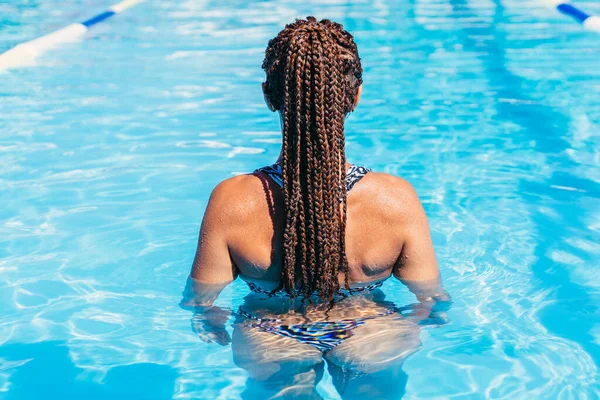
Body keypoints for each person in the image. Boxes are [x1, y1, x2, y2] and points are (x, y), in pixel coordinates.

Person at [181, 16, 450, 399]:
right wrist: (417, 323)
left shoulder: (233, 199)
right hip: (370, 330)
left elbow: (201, 302)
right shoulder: (395, 197)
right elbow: (431, 297)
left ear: (268, 96)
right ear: (355, 96)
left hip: (270, 337)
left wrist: (210, 322)